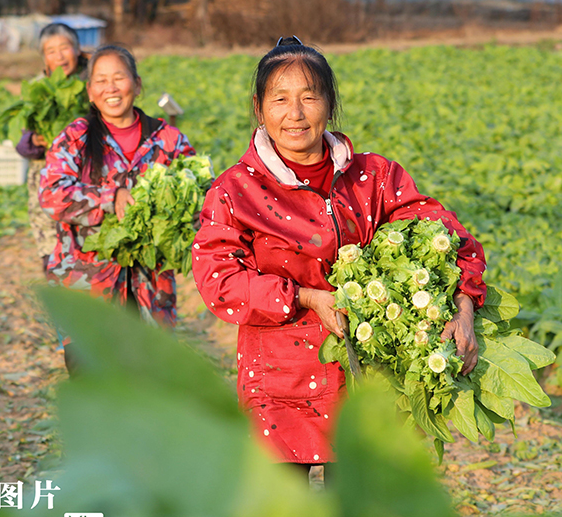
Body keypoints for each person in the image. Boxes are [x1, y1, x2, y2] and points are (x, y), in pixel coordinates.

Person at [191, 36, 487, 478]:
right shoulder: (236, 191)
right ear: (259, 108)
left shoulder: (374, 176)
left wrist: (463, 306)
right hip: (279, 380)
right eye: (280, 100)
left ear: (329, 104)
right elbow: (221, 282)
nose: (295, 114)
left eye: (309, 97)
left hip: (365, 375)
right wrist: (307, 298)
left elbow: (450, 238)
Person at [39, 44, 195, 347]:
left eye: (119, 78)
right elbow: (51, 194)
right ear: (89, 90)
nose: (110, 88)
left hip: (150, 293)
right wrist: (111, 197)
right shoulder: (76, 138)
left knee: (147, 385)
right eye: (100, 80)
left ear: (137, 85)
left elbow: (198, 199)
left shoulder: (168, 140)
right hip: (87, 288)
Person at [16, 23, 88, 274]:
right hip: (47, 180)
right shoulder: (38, 88)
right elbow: (20, 142)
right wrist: (34, 141)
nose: (59, 56)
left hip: (87, 178)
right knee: (52, 250)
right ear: (44, 57)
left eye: (64, 48)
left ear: (77, 50)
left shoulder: (93, 82)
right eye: (51, 51)